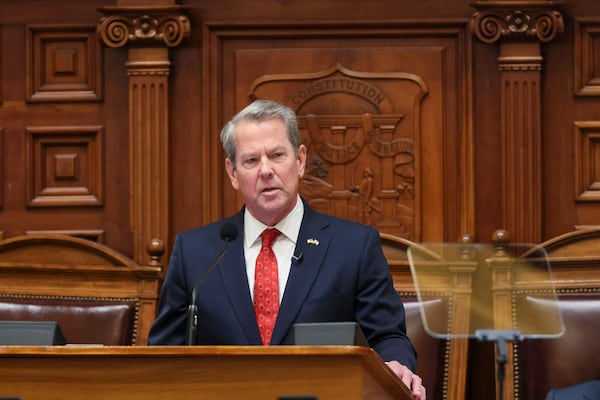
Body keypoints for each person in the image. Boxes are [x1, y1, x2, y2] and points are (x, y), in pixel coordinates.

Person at [148, 99, 426, 400]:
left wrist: (396, 364)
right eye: (251, 161)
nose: (266, 170)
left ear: (300, 160)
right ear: (232, 172)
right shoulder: (195, 253)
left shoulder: (354, 246)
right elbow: (164, 355)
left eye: (277, 155)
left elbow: (387, 337)